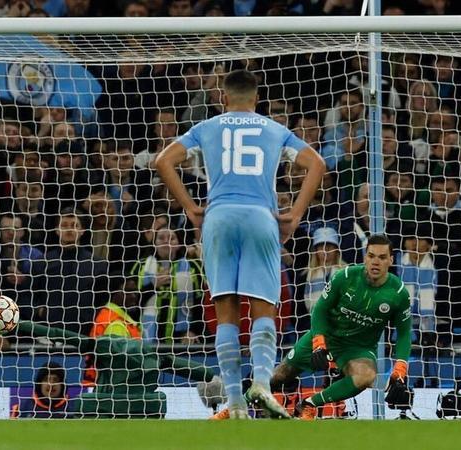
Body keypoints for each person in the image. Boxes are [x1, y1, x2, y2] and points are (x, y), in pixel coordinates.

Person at [156, 69, 326, 419]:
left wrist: (190, 208)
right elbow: (317, 164)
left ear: (223, 98)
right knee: (263, 309)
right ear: (257, 99)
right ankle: (261, 383)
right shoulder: (274, 129)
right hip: (260, 217)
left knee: (226, 315)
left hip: (218, 217)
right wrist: (293, 215)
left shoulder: (208, 127)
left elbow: (163, 161)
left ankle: (234, 402)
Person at [211, 235, 413, 420]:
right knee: (279, 376)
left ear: (391, 260)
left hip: (357, 348)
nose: (375, 261)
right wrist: (319, 341)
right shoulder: (345, 277)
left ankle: (309, 404)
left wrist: (401, 365)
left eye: (382, 257)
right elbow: (320, 311)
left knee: (366, 376)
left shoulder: (398, 293)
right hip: (327, 336)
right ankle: (233, 408)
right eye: (371, 256)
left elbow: (404, 333)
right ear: (365, 257)